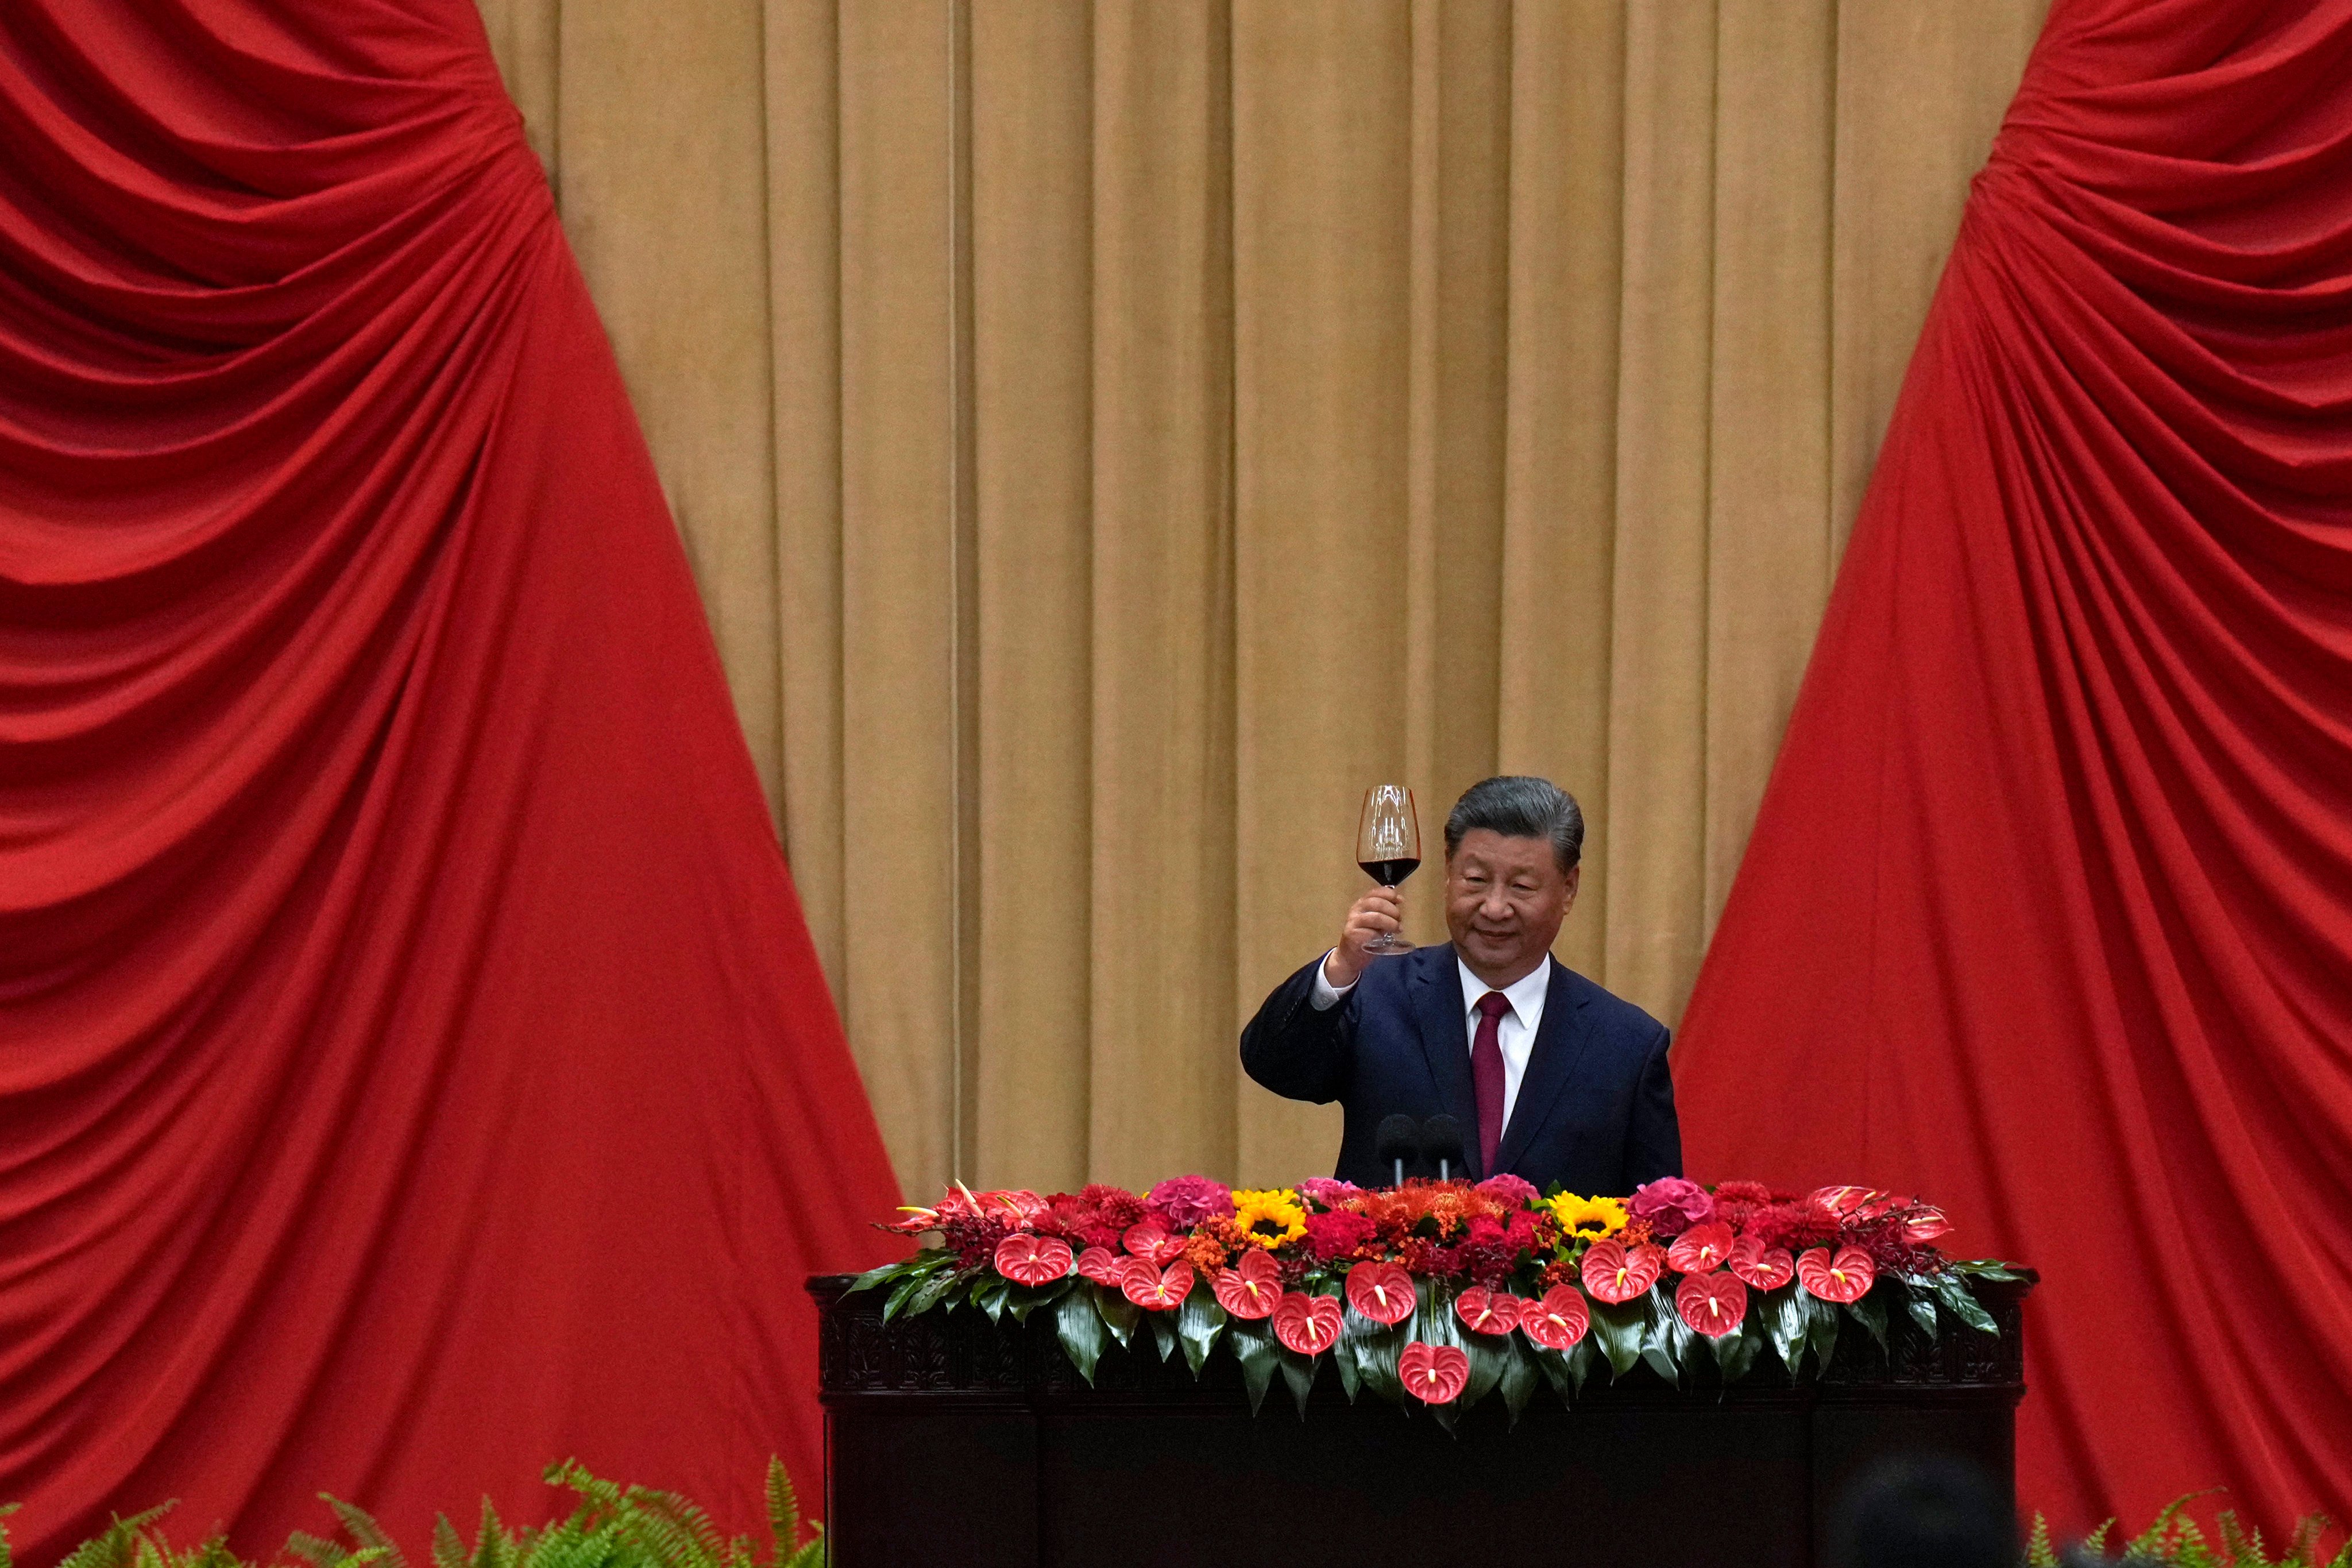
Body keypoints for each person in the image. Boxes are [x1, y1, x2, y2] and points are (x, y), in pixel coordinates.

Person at [1239, 775, 1681, 1193]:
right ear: (1448, 872)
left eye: (1521, 886)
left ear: (1568, 889)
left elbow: (1657, 1225)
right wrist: (1341, 968)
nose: (1493, 907)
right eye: (1475, 880)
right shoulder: (1376, 993)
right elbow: (1275, 1067)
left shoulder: (1626, 1046)